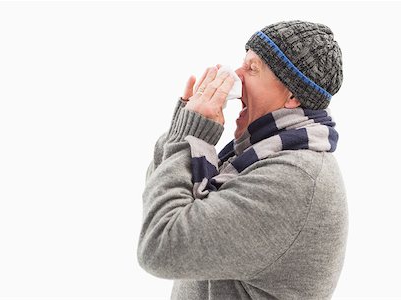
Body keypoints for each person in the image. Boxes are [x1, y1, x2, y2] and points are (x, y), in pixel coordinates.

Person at [137, 20, 348, 300]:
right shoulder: (257, 154)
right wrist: (183, 132)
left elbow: (160, 245)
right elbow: (161, 195)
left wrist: (189, 134)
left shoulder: (293, 179)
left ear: (293, 95)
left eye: (252, 68)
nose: (236, 76)